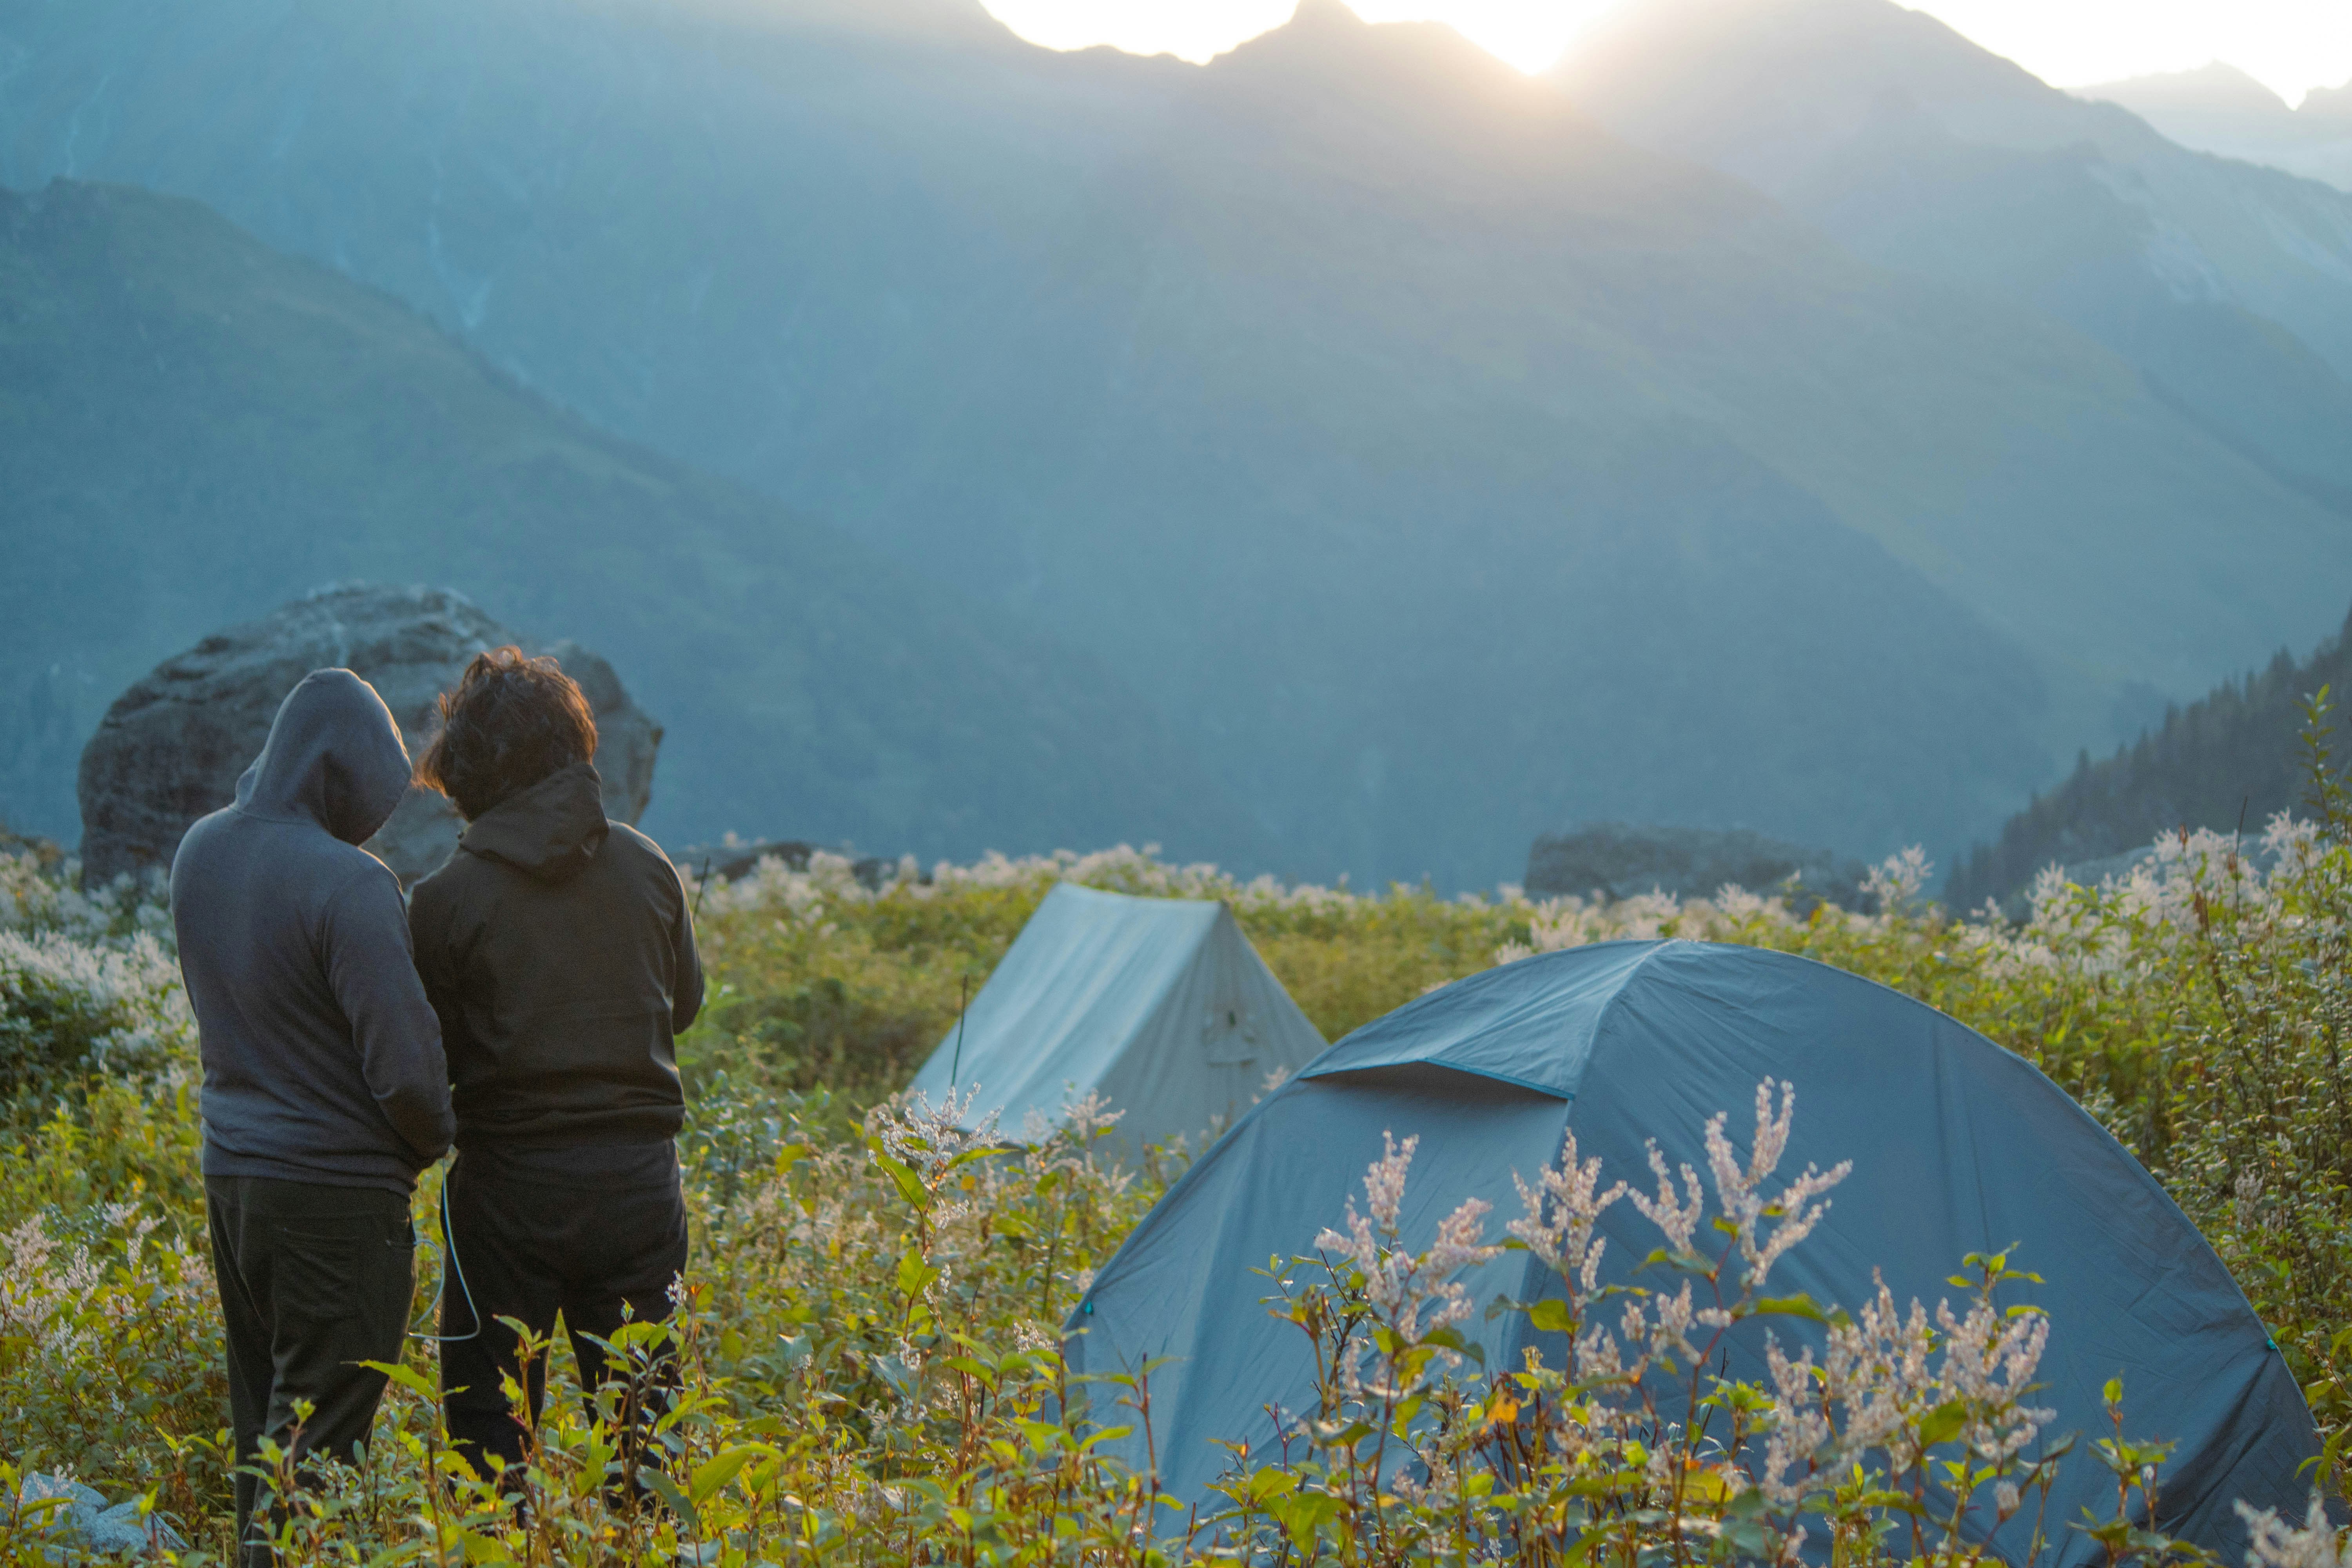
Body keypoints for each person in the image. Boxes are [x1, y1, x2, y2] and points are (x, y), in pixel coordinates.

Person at [171, 670, 456, 1566]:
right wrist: (439, 1139)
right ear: (339, 775)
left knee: (267, 1435)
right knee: (320, 1458)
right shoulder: (352, 884)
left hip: (234, 1185)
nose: (374, 821)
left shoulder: (199, 851)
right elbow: (409, 1075)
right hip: (336, 1205)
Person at [405, 646, 703, 1483]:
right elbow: (681, 1006)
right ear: (575, 747)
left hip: (508, 1196)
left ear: (464, 767)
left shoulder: (444, 899)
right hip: (641, 1188)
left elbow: (432, 1055)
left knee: (491, 1425)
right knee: (647, 1423)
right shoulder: (647, 865)